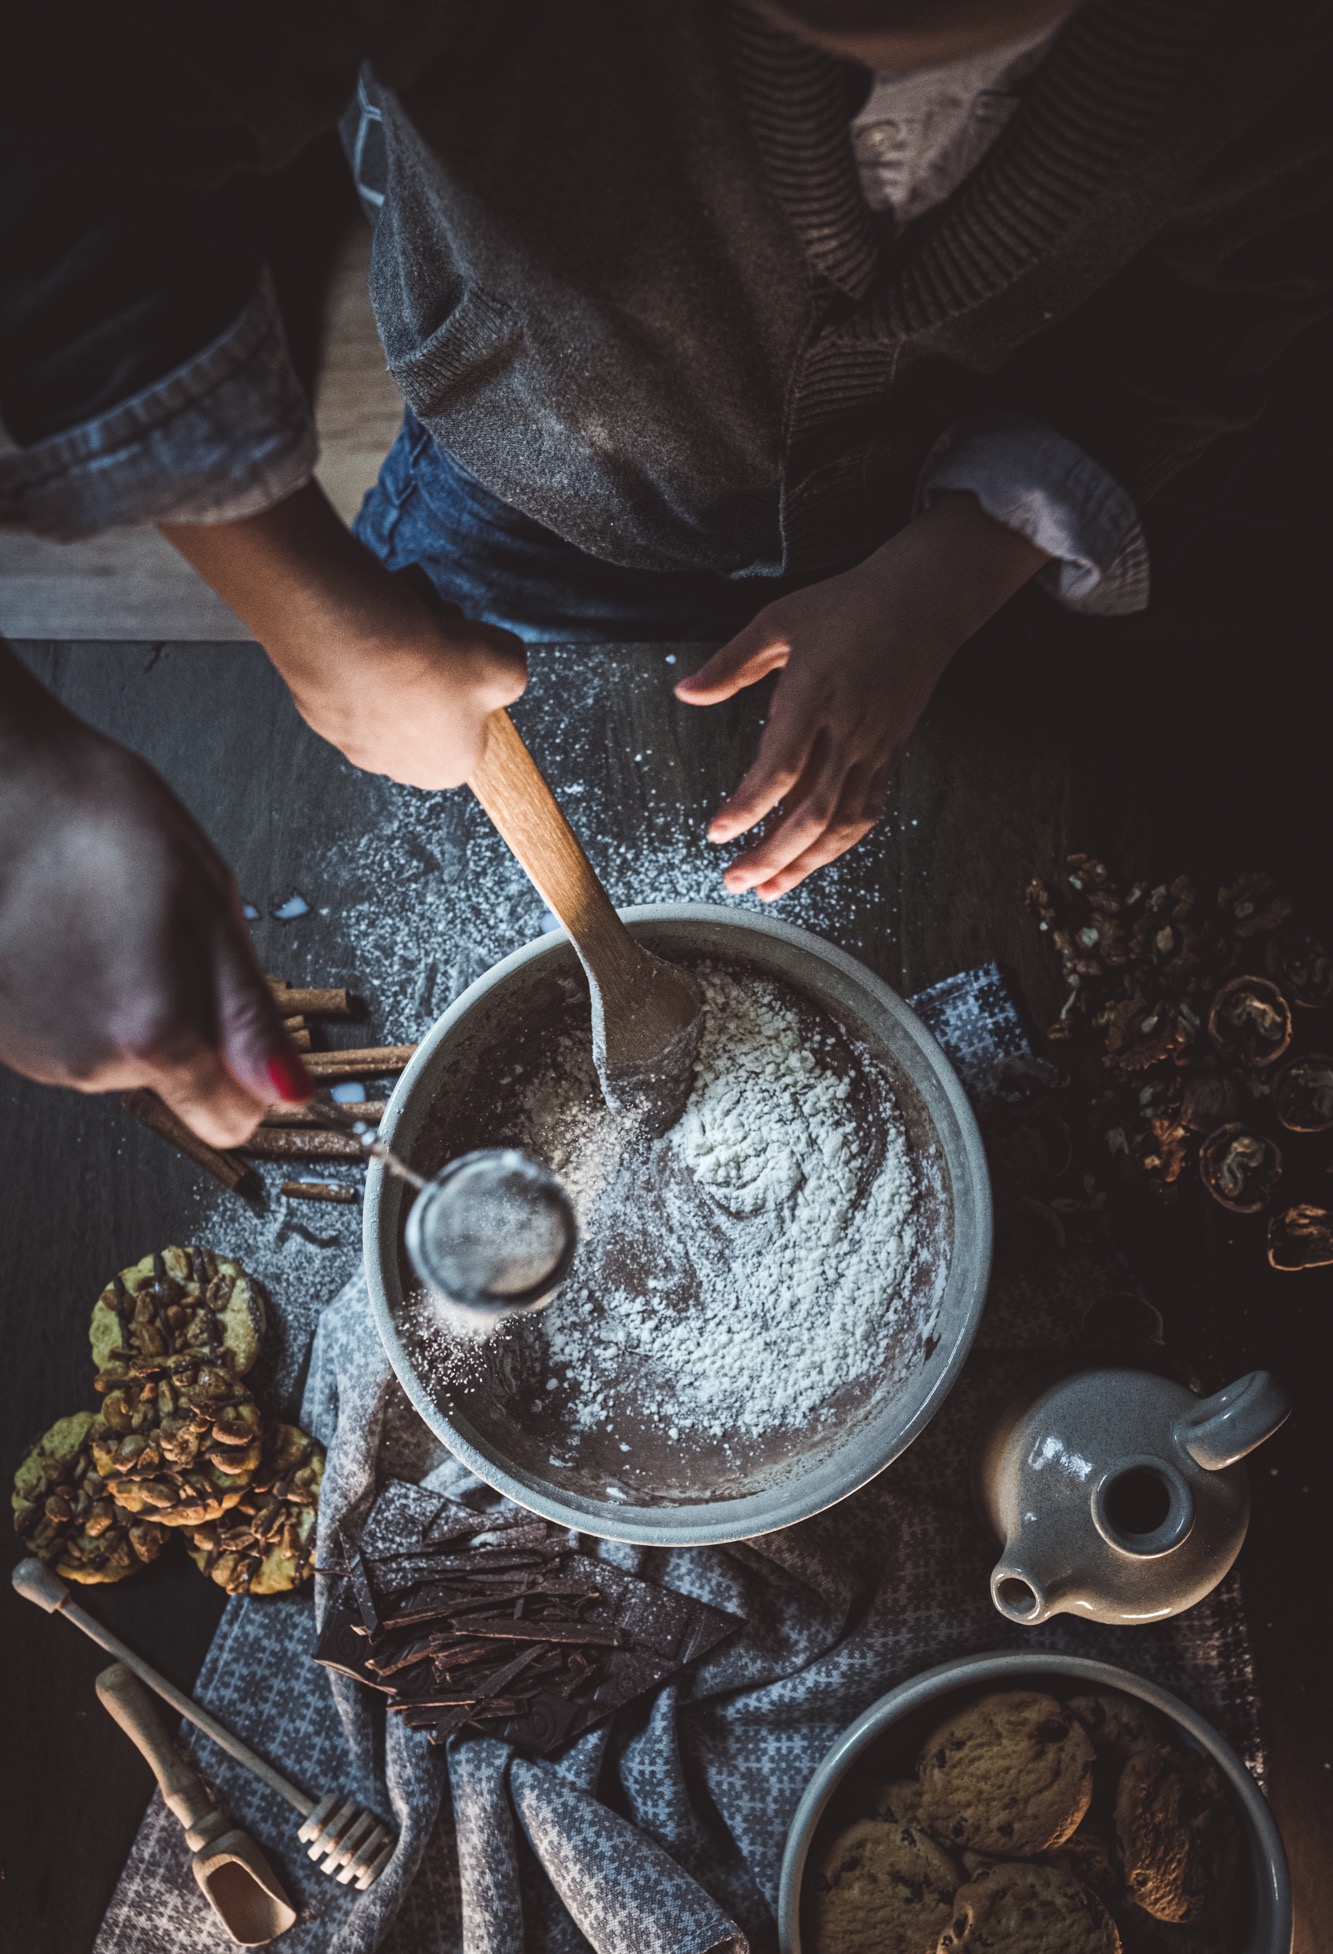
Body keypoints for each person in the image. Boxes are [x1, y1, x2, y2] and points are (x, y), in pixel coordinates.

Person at [2, 0, 1329, 1144]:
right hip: (527, 495)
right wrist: (305, 606)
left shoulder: (1262, 48)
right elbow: (60, 141)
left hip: (934, 502)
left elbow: (1221, 313)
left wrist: (946, 574)